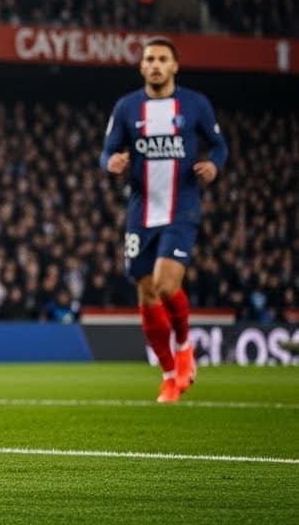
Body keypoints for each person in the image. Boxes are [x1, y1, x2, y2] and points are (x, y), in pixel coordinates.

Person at [100, 39, 227, 403]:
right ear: (141, 67)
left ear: (174, 66)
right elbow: (107, 150)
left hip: (180, 208)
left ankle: (185, 346)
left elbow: (219, 145)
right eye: (150, 59)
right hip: (141, 212)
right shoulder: (127, 107)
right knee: (146, 292)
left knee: (166, 284)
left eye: (162, 59)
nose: (155, 65)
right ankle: (170, 373)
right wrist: (110, 162)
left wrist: (214, 165)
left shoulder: (195, 104)